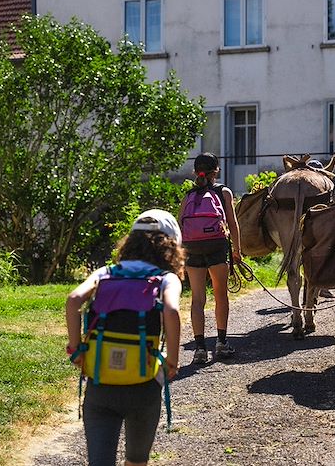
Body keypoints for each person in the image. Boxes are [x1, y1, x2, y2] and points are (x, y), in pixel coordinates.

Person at [65, 209, 183, 466]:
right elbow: (172, 311)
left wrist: (76, 351)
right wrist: (171, 361)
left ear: (130, 242)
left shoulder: (106, 272)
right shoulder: (166, 278)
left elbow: (74, 299)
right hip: (143, 386)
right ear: (172, 244)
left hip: (100, 382)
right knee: (136, 461)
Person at [182, 152, 242, 364]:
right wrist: (237, 250)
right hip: (216, 246)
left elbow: (182, 224)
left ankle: (199, 349)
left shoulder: (188, 194)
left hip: (192, 248)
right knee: (220, 295)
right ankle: (222, 343)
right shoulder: (223, 192)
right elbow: (232, 224)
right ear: (217, 170)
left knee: (197, 298)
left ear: (195, 171)